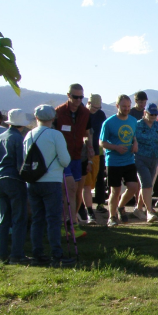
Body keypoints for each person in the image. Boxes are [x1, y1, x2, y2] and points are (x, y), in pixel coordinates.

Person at [25, 105, 74, 267]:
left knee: (37, 219)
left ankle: (37, 253)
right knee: (53, 219)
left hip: (33, 181)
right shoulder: (55, 135)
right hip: (51, 180)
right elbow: (65, 160)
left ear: (36, 118)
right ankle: (56, 254)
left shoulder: (29, 135)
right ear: (53, 118)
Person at [54, 84, 92, 239]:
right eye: (75, 97)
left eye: (81, 97)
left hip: (78, 156)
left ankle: (72, 221)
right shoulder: (58, 112)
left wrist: (90, 152)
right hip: (62, 157)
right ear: (68, 95)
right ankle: (63, 223)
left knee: (76, 190)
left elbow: (88, 134)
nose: (78, 100)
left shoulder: (85, 113)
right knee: (66, 189)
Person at [0, 109, 30, 264]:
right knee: (19, 218)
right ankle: (17, 254)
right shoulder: (18, 139)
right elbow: (20, 163)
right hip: (14, 179)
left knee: (4, 217)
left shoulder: (0, 137)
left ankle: (0, 253)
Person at [100, 95, 140, 227]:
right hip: (113, 161)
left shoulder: (133, 120)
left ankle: (121, 206)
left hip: (129, 160)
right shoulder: (109, 123)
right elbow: (101, 142)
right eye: (124, 106)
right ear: (117, 106)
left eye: (128, 106)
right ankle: (112, 217)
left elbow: (134, 136)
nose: (126, 109)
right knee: (115, 191)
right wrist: (115, 147)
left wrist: (135, 143)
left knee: (133, 187)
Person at [134, 103, 158, 222]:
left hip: (154, 158)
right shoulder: (137, 125)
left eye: (155, 114)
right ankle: (149, 211)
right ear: (145, 113)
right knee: (147, 184)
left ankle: (138, 208)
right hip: (140, 158)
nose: (154, 116)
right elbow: (132, 139)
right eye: (151, 114)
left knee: (147, 185)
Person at [84, 94, 106, 222]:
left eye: (98, 107)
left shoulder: (101, 115)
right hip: (84, 152)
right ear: (88, 103)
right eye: (93, 107)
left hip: (98, 151)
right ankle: (85, 208)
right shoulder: (83, 113)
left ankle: (100, 203)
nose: (95, 110)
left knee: (99, 178)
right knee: (85, 181)